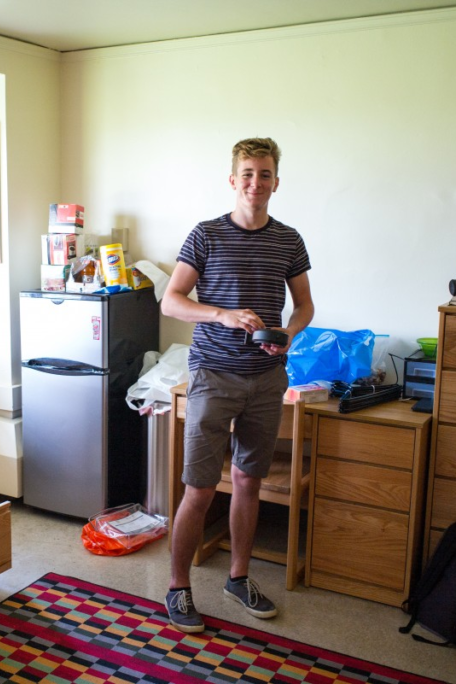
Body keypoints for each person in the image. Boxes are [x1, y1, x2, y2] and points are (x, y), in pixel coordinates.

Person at [162, 137, 314, 633]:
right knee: (200, 489)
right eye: (248, 173)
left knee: (249, 482)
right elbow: (172, 301)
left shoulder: (289, 240)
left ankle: (238, 578)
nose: (256, 183)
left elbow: (305, 306)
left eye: (265, 174)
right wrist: (222, 315)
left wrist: (288, 336)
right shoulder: (205, 235)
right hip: (213, 376)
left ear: (276, 181)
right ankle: (178, 588)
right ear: (233, 180)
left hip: (267, 379)